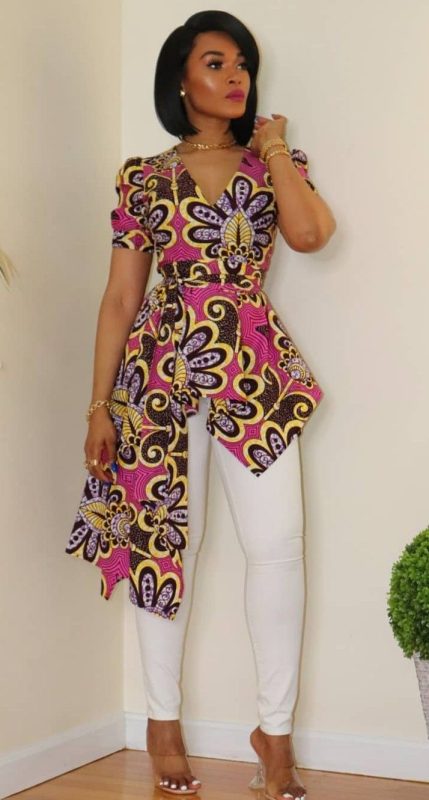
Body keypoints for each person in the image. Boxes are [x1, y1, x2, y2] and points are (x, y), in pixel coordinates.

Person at [65, 10, 336, 799]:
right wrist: (98, 405)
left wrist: (275, 147)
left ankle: (274, 736)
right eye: (215, 61)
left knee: (277, 547)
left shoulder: (271, 163)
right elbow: (121, 298)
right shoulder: (142, 177)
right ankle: (162, 721)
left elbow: (311, 235)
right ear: (179, 79)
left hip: (253, 370)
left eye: (242, 61)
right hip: (158, 374)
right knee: (165, 544)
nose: (235, 74)